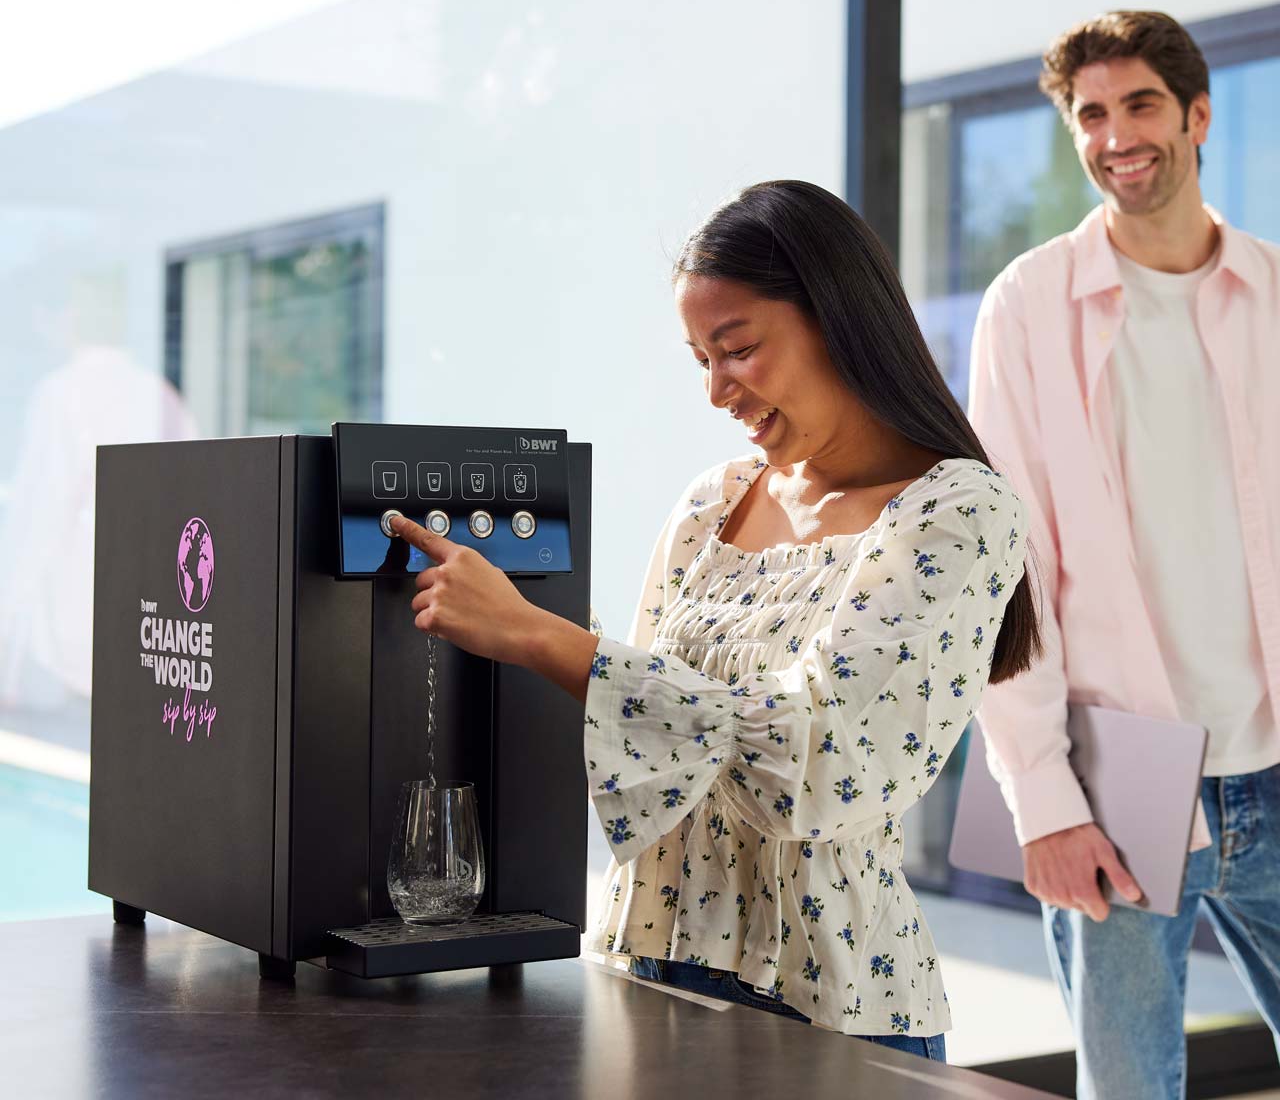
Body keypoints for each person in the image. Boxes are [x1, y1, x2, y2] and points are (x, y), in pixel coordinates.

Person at [391, 179, 1036, 1060]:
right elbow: (649, 745)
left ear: (837, 317)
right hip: (644, 969)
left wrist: (547, 639)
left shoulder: (955, 512)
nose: (716, 391)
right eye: (700, 358)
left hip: (824, 1005)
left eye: (736, 350)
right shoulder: (712, 503)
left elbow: (819, 763)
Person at [969, 11, 1280, 1100]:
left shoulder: (1274, 293)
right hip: (1121, 766)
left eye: (1138, 103)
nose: (1113, 134)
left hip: (1276, 755)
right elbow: (998, 571)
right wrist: (1040, 798)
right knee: (1129, 1086)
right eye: (1087, 114)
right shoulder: (1025, 307)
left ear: (1196, 113)